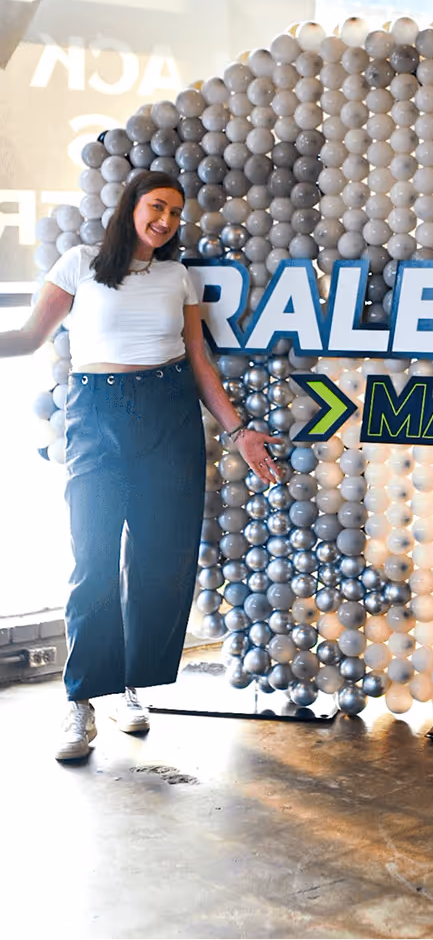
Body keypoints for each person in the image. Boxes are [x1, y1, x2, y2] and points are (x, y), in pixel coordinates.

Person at [0, 171, 280, 761]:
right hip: (96, 416)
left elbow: (198, 361)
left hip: (169, 416)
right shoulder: (79, 264)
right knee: (93, 560)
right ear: (131, 205)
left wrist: (239, 433)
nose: (165, 221)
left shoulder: (178, 277)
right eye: (157, 207)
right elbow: (28, 338)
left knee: (157, 562)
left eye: (175, 213)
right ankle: (80, 699)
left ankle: (126, 687)